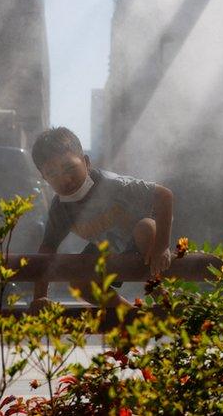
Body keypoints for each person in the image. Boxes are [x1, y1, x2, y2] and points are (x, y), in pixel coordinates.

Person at [29, 127, 174, 309]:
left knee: (145, 228)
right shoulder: (61, 209)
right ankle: (127, 312)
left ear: (86, 162)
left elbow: (164, 195)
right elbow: (47, 249)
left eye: (69, 167)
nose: (65, 179)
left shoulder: (112, 185)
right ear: (43, 177)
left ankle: (161, 292)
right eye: (52, 174)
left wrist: (162, 247)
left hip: (139, 244)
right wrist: (39, 297)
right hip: (107, 250)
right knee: (77, 282)